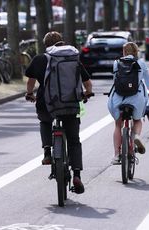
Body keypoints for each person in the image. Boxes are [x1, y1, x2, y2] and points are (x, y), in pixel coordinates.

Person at [25, 31, 93, 194]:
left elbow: (30, 81)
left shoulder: (40, 59)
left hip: (46, 103)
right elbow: (87, 83)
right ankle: (76, 174)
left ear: (46, 45)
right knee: (74, 141)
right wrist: (86, 93)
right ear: (61, 42)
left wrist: (30, 94)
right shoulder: (72, 59)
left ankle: (47, 151)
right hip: (70, 103)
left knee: (45, 121)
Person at [107, 42, 149, 165]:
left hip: (119, 98)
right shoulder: (140, 63)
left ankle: (117, 155)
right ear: (136, 52)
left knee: (118, 124)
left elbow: (115, 81)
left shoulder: (116, 63)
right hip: (136, 98)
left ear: (124, 52)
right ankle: (136, 137)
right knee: (137, 120)